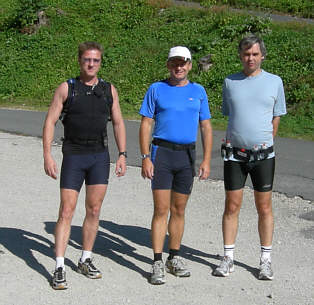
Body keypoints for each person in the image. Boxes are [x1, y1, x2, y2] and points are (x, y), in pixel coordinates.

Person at [43, 41, 127, 290]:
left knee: (93, 210)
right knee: (66, 211)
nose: (91, 64)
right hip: (74, 154)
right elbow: (50, 122)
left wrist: (122, 154)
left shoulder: (108, 89)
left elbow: (119, 123)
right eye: (87, 60)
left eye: (96, 60)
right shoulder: (67, 88)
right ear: (80, 61)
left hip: (98, 156)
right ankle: (59, 266)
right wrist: (47, 154)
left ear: (100, 62)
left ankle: (85, 259)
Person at [213, 35, 286, 280]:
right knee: (231, 206)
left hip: (264, 156)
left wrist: (264, 141)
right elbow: (229, 114)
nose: (250, 58)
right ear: (240, 55)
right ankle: (228, 257)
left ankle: (265, 260)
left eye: (255, 54)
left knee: (264, 207)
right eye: (246, 54)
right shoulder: (230, 82)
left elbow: (276, 117)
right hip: (235, 155)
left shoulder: (275, 82)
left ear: (262, 55)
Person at [139, 46, 213, 285]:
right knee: (161, 209)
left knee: (179, 210)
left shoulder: (198, 91)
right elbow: (146, 123)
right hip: (162, 154)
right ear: (168, 65)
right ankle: (157, 261)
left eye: (183, 63)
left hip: (186, 157)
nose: (179, 67)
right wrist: (145, 157)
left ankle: (175, 257)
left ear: (190, 65)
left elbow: (206, 127)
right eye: (174, 63)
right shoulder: (156, 89)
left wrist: (207, 159)